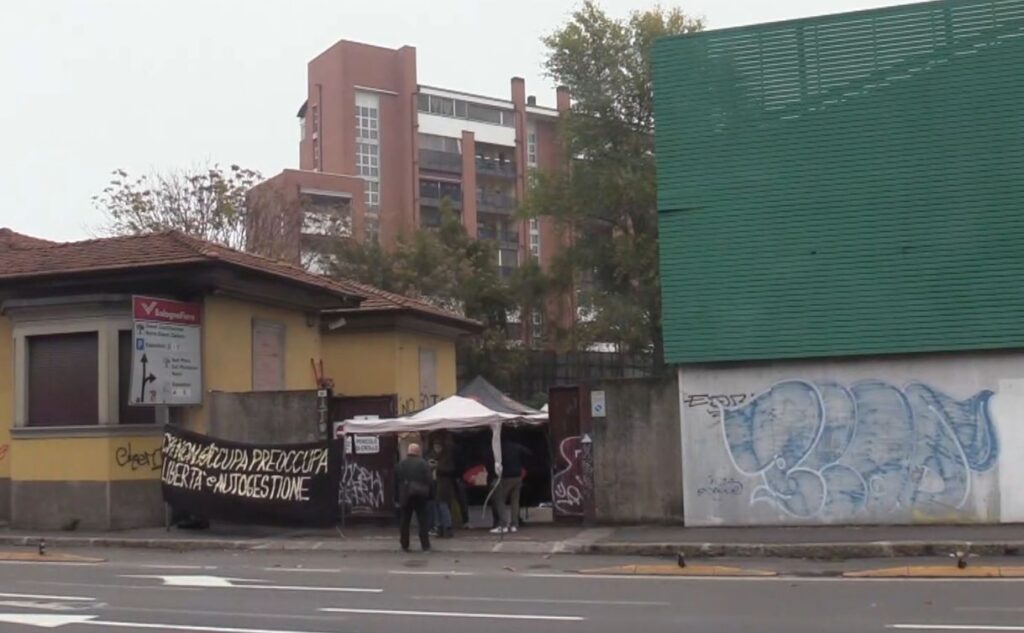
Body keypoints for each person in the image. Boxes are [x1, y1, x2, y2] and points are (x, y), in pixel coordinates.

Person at [395, 443, 432, 552]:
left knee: (405, 521)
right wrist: (430, 494)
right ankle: (425, 545)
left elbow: (396, 481)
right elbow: (429, 480)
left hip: (405, 495)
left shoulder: (401, 464)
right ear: (418, 452)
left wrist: (397, 497)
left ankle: (404, 544)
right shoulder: (424, 464)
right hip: (420, 496)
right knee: (422, 521)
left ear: (408, 451)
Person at [490, 437, 531, 534]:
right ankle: (514, 525)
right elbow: (528, 453)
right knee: (515, 501)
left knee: (499, 499)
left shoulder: (499, 449)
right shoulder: (516, 446)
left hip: (505, 477)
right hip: (517, 476)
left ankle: (503, 525)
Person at [425, 434, 454, 538]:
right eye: (435, 446)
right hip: (433, 484)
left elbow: (451, 469)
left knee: (442, 505)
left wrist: (438, 467)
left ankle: (447, 526)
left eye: (438, 446)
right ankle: (439, 527)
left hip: (443, 484)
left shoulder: (447, 457)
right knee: (435, 506)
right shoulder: (429, 456)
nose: (437, 448)